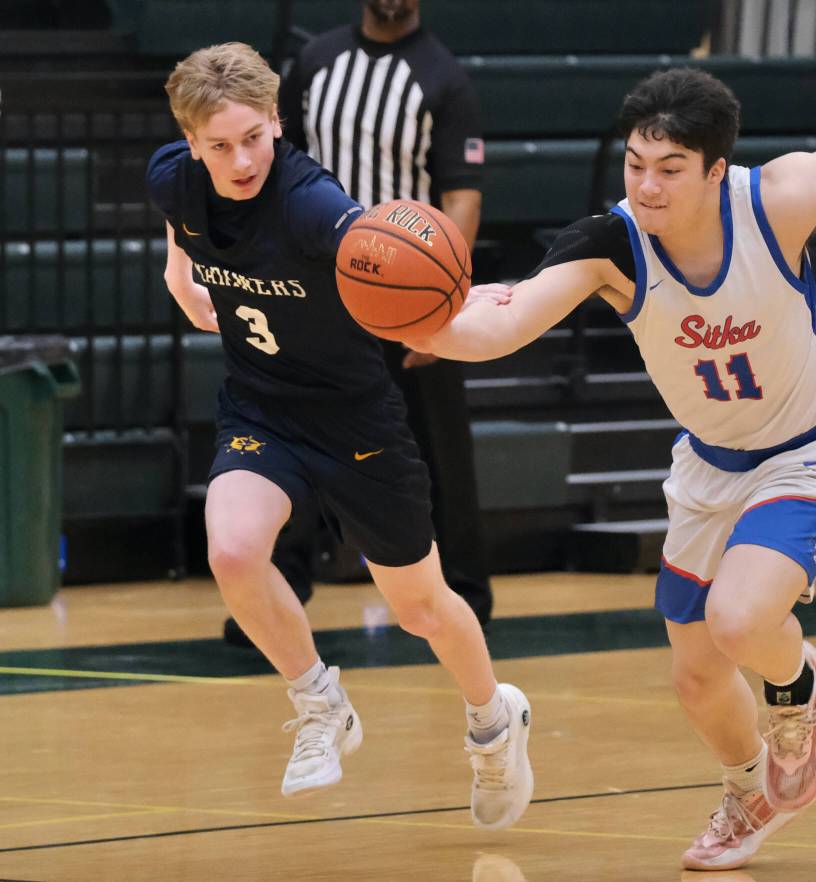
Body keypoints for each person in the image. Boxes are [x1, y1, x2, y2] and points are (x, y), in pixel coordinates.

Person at [411, 67, 816, 870]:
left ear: (716, 170)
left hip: (811, 451)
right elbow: (504, 319)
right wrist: (413, 324)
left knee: (739, 619)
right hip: (709, 468)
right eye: (635, 164)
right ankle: (746, 791)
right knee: (695, 677)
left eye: (669, 169)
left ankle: (797, 695)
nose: (646, 187)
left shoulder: (777, 200)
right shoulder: (610, 244)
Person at [146, 42, 532, 827]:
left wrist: (468, 313)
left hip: (357, 420)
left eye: (254, 136)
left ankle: (495, 723)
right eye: (219, 145)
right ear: (191, 142)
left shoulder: (315, 207)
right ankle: (321, 703)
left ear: (277, 120)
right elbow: (178, 223)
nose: (241, 157)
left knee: (422, 606)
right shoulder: (173, 177)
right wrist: (178, 273)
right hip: (261, 408)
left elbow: (400, 292)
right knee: (231, 549)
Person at [229, 0, 490, 644]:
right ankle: (278, 592)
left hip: (406, 296)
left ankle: (465, 595)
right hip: (316, 290)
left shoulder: (444, 77)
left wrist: (442, 304)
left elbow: (461, 193)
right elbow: (274, 159)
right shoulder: (316, 61)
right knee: (295, 436)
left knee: (437, 450)